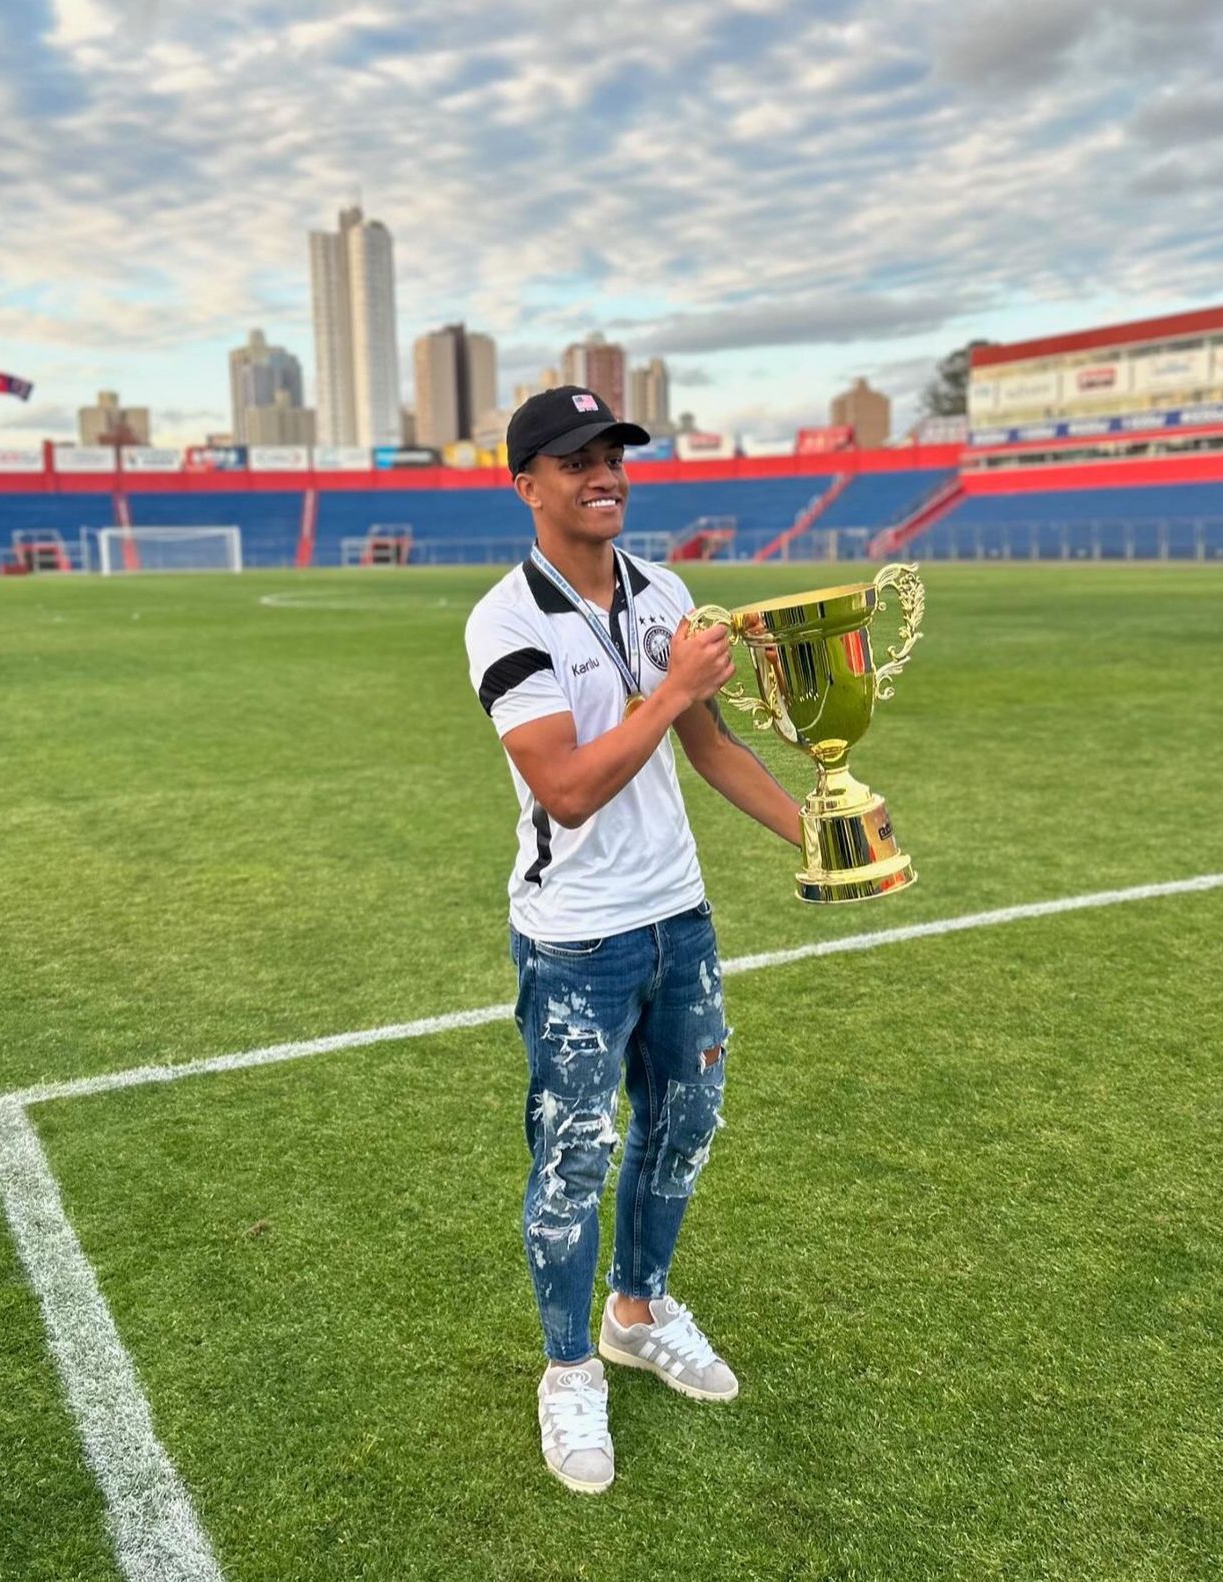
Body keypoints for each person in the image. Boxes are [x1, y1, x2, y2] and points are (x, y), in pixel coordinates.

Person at [464, 386, 802, 1494]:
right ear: (529, 484)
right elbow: (565, 788)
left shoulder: (667, 592)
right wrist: (668, 694)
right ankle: (569, 1371)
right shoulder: (506, 619)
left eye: (612, 452)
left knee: (685, 1124)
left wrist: (822, 830)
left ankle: (638, 1311)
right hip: (576, 943)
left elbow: (707, 748)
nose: (603, 472)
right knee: (574, 1157)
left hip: (680, 917)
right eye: (575, 459)